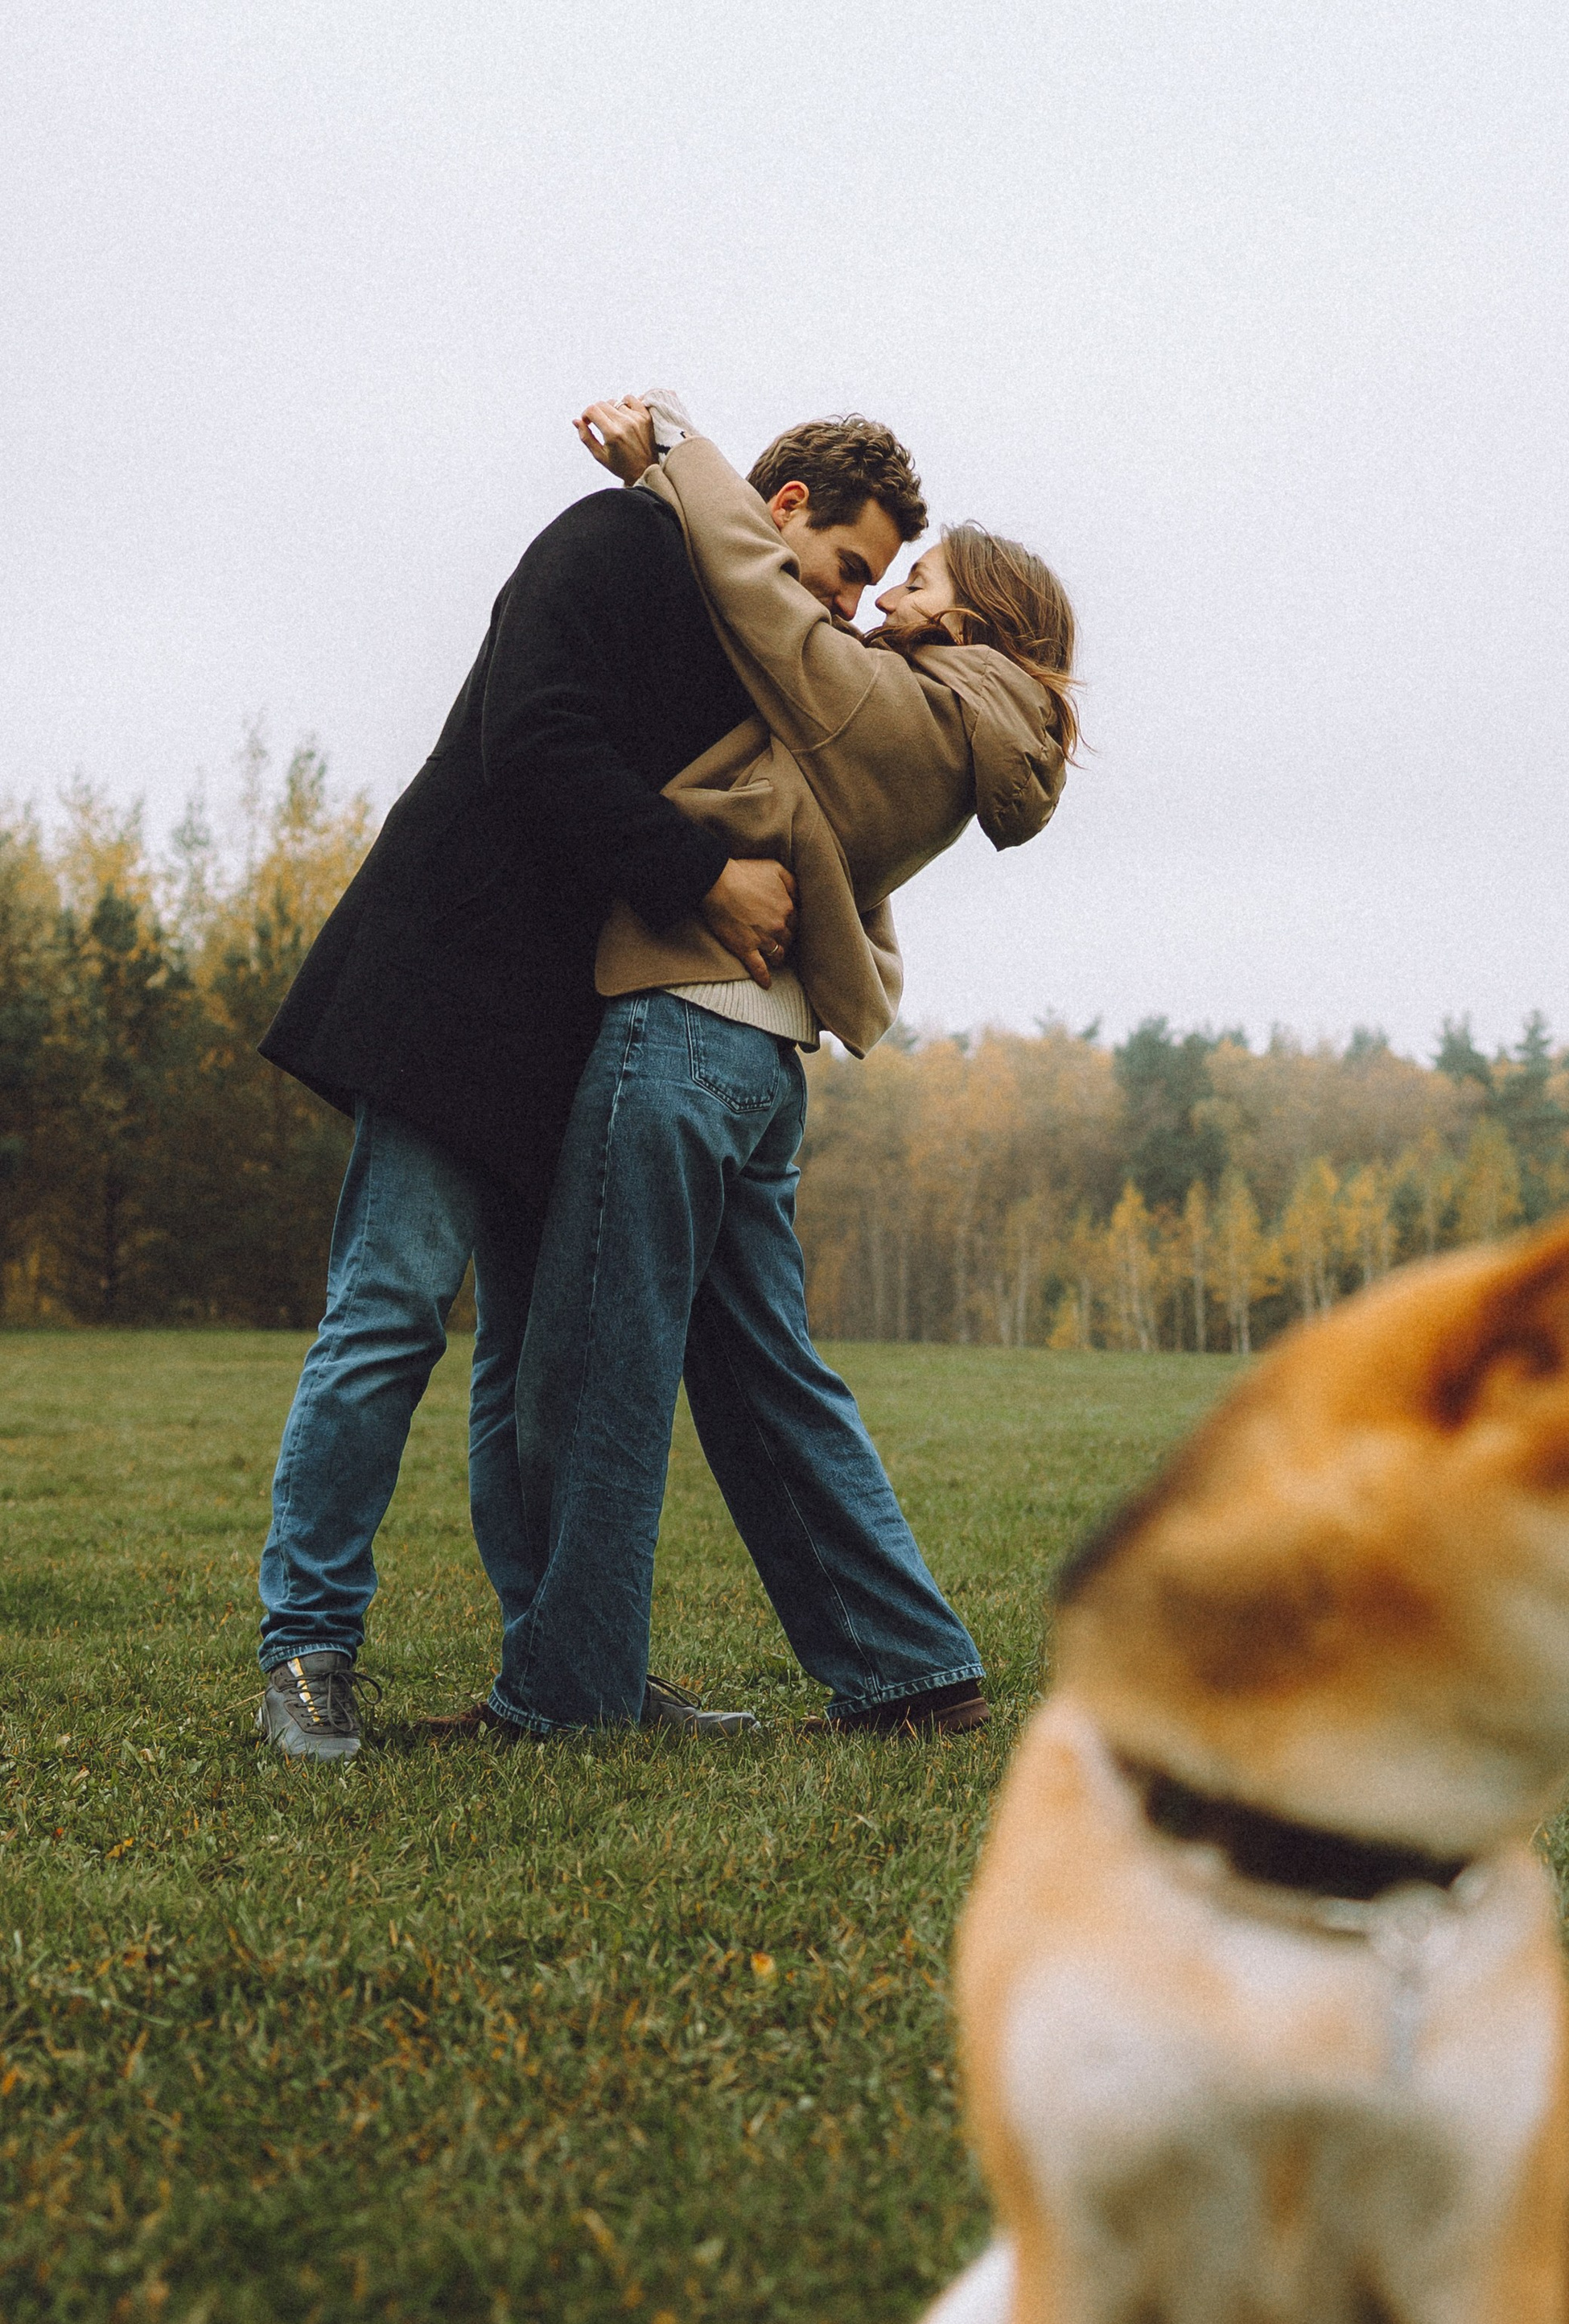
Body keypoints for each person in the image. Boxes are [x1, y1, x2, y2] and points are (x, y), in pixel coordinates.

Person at [251, 412, 928, 1758]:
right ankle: (307, 1653)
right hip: (454, 988)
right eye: (849, 568)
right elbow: (537, 736)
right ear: (784, 505)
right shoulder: (615, 542)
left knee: (523, 1364)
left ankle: (566, 1671)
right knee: (390, 1311)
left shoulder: (760, 643)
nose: (853, 605)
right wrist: (703, 875)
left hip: (575, 1022)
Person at [474, 393, 1078, 1744]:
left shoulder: (905, 711)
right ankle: (911, 1670)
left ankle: (567, 1698)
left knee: (595, 1367)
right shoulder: (963, 726)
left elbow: (762, 597)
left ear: (975, 619)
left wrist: (674, 449)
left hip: (682, 1035)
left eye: (911, 581)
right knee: (765, 1381)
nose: (878, 601)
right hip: (752, 1060)